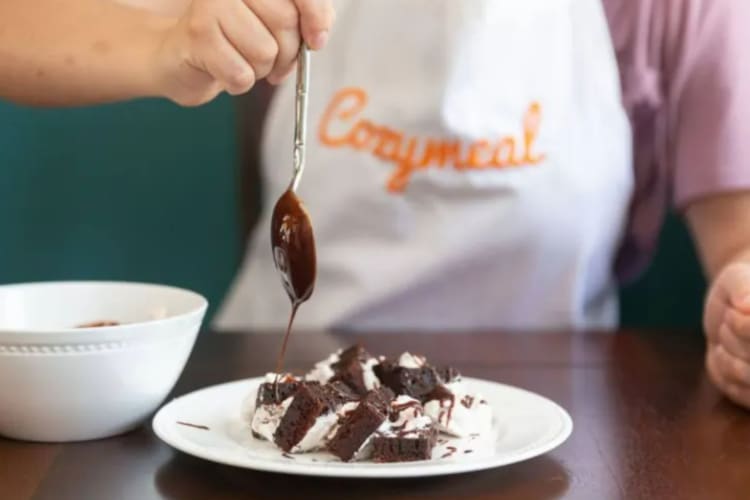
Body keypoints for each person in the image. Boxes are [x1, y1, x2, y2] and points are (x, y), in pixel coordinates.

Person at [2, 0, 750, 410]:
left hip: (561, 425)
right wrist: (167, 38)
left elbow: (740, 239)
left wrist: (741, 302)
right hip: (268, 389)